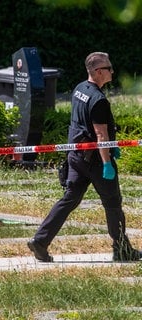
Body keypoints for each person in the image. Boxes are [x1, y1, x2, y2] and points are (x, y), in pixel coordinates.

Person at [28, 52, 142, 262]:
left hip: (76, 156)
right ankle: (122, 249)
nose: (112, 71)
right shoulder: (99, 100)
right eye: (109, 68)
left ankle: (40, 241)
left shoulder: (80, 89)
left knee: (69, 199)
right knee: (113, 202)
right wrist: (107, 161)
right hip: (95, 161)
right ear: (99, 72)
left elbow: (81, 124)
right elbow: (100, 134)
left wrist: (112, 145)